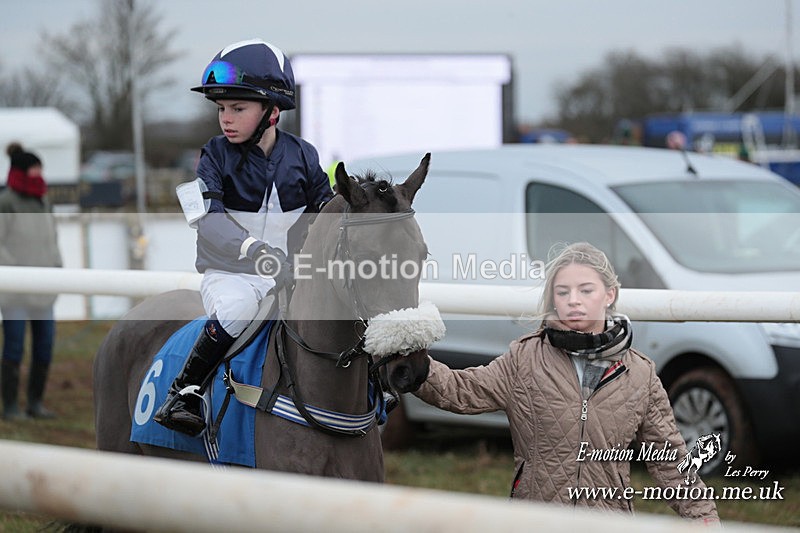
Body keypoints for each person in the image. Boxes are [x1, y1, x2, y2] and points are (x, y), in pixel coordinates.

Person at [413, 242, 719, 522]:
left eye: (586, 290)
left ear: (609, 294)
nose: (574, 301)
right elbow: (461, 392)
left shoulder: (641, 373)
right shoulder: (524, 359)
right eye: (563, 292)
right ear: (552, 298)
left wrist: (705, 519)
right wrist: (414, 364)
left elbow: (670, 461)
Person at [153, 38, 333, 436]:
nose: (226, 119)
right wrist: (255, 252)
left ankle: (374, 389)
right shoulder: (214, 155)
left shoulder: (304, 155)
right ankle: (182, 393)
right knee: (235, 310)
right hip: (230, 273)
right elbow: (208, 220)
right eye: (221, 109)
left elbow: (326, 209)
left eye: (238, 108)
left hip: (288, 275)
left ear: (272, 112)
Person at [0, 143, 62, 420]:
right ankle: (10, 406)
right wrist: (16, 269)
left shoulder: (44, 200)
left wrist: (57, 266)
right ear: (22, 171)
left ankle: (35, 403)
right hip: (15, 292)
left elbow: (52, 238)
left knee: (44, 347)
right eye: (34, 168)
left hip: (44, 289)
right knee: (14, 348)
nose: (39, 173)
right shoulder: (6, 201)